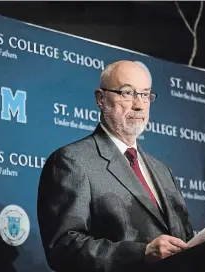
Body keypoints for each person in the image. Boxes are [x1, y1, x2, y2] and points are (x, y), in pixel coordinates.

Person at [37, 60, 194, 272]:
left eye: (145, 94)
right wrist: (141, 253)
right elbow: (63, 247)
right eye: (127, 93)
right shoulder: (72, 161)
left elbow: (186, 239)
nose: (138, 104)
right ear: (100, 98)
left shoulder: (162, 171)